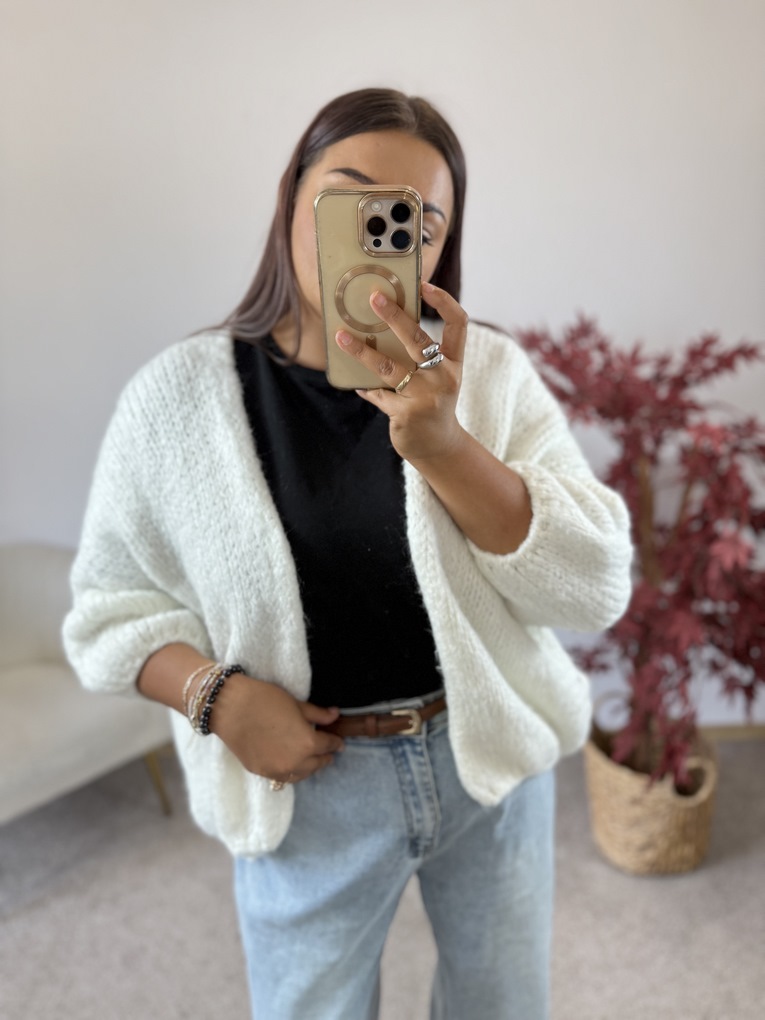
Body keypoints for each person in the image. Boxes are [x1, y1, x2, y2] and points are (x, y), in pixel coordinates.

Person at [63, 87, 632, 1020]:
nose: (376, 237)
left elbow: (596, 584)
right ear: (291, 198)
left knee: (502, 1007)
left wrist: (447, 449)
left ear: (437, 249)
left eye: (412, 222)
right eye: (348, 198)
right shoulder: (175, 401)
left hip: (488, 756)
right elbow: (107, 611)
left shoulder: (486, 375)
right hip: (308, 786)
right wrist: (216, 698)